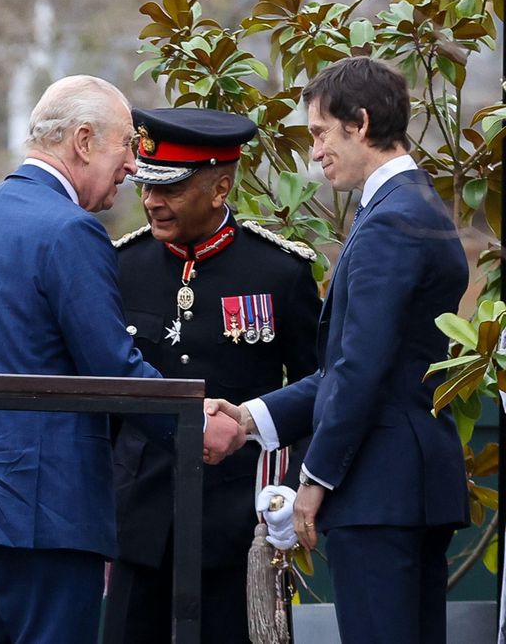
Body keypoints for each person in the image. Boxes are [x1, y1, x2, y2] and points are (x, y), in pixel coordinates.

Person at [0, 76, 246, 644]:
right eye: (125, 145)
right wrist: (194, 423)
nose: (132, 165)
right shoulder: (70, 229)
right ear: (82, 141)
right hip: (46, 510)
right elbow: (112, 368)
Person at [207, 56, 470, 644]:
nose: (316, 152)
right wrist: (250, 418)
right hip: (407, 483)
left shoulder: (391, 219)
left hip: (380, 488)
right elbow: (362, 364)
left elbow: (360, 368)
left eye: (322, 133)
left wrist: (316, 477)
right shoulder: (414, 205)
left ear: (361, 122)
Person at [102, 107, 321, 644]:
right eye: (147, 185)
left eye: (171, 188)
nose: (151, 201)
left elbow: (318, 389)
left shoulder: (279, 271)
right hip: (140, 521)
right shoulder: (122, 265)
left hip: (238, 523)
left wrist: (290, 493)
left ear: (220, 187)